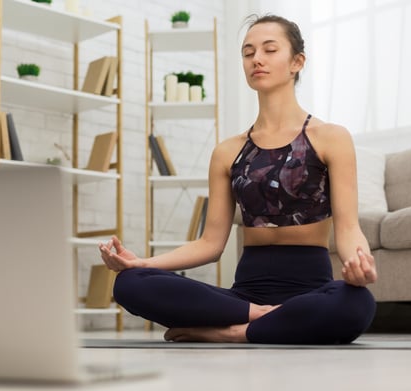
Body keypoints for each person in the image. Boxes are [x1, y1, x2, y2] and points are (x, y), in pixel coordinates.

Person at [99, 14, 377, 344]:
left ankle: (232, 332)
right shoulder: (227, 151)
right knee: (129, 283)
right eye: (248, 52)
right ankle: (265, 320)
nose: (256, 59)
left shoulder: (331, 137)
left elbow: (347, 228)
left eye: (270, 50)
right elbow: (210, 244)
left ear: (297, 62)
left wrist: (359, 265)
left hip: (311, 292)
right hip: (245, 297)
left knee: (358, 302)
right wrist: (143, 262)